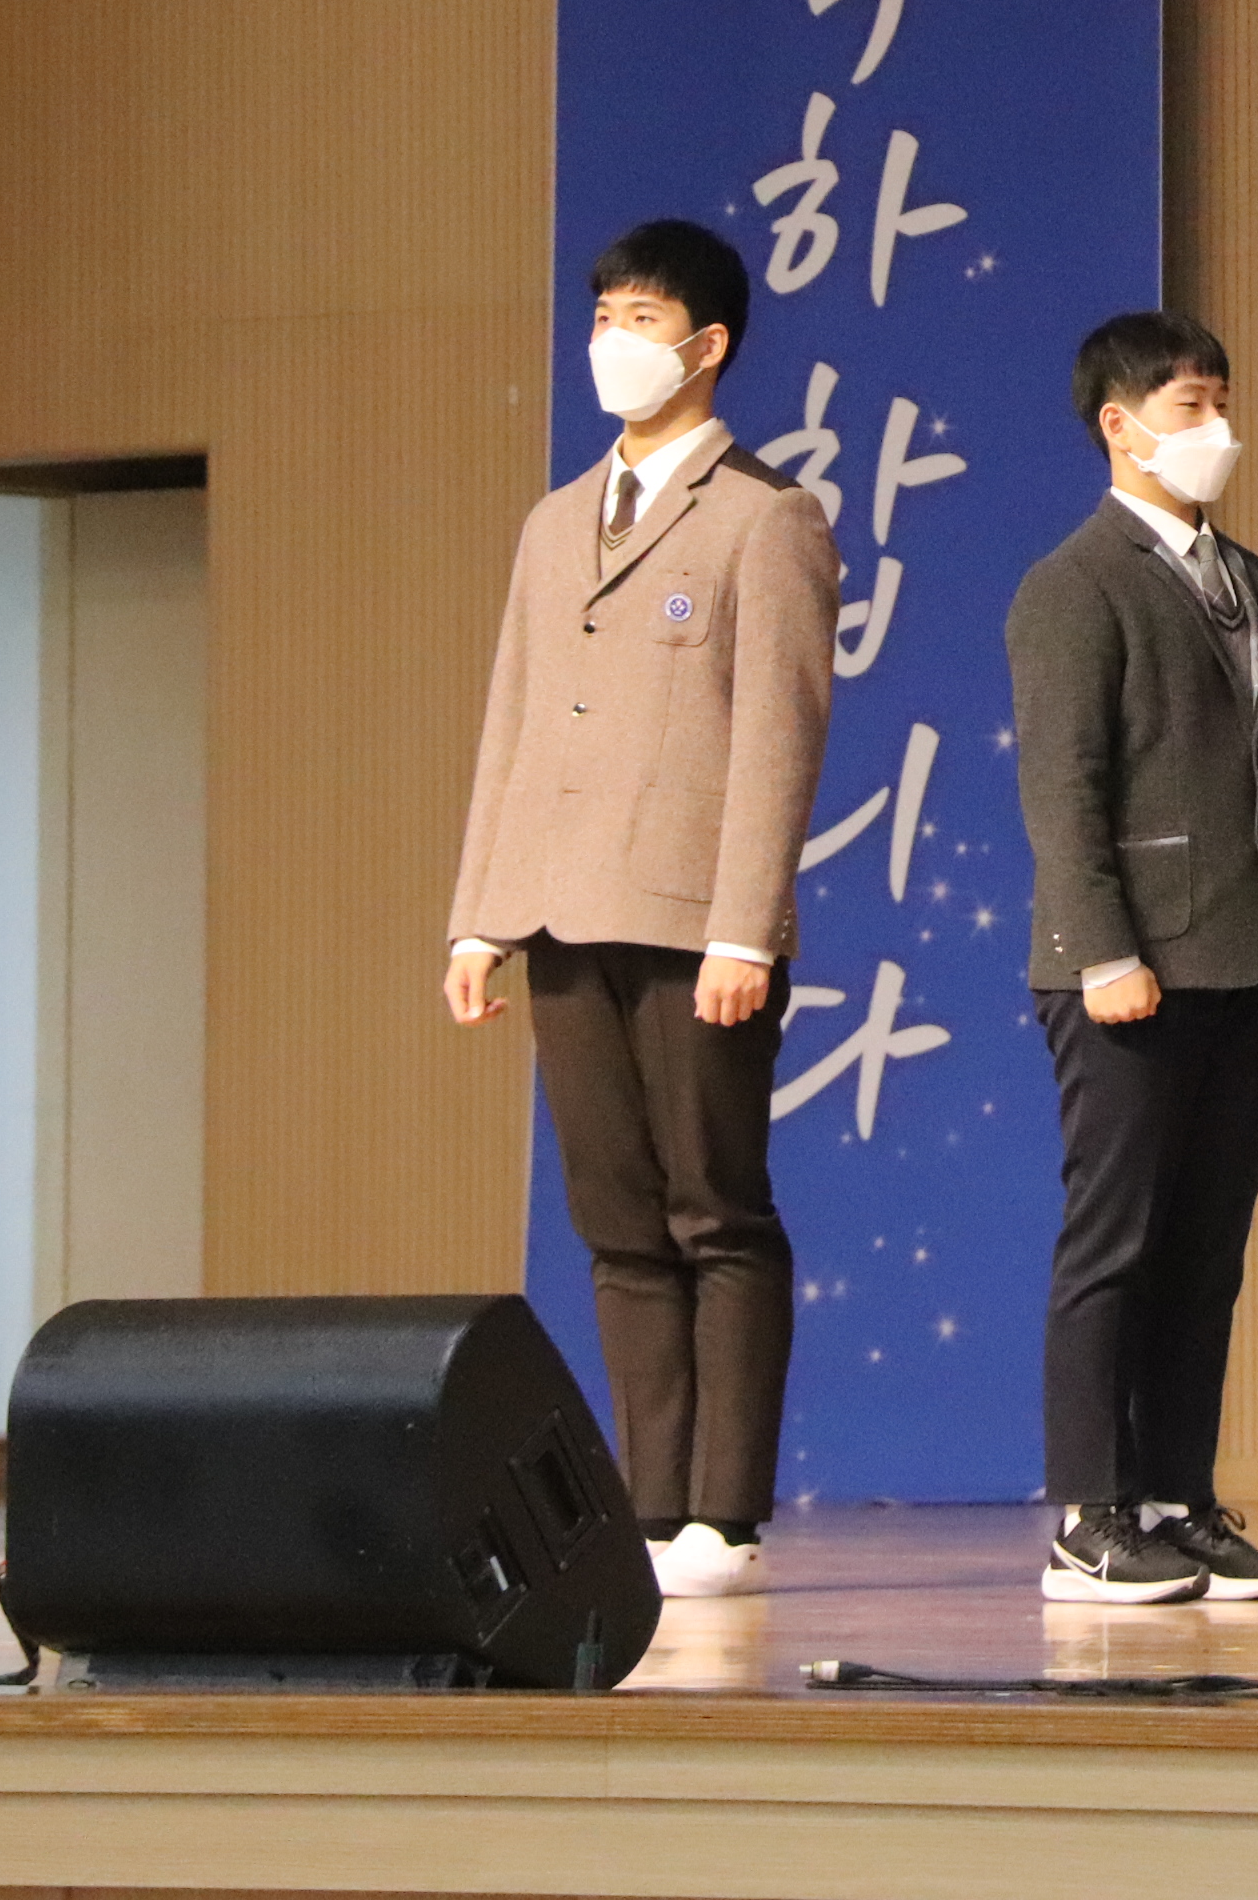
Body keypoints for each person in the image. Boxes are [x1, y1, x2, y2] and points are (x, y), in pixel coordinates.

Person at [444, 219, 841, 1602]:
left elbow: (779, 737)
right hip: (560, 912)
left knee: (713, 1210)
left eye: (643, 319)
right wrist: (480, 916)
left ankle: (725, 1514)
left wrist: (746, 926)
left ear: (707, 345)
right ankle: (653, 1506)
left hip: (691, 923)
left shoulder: (765, 516)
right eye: (605, 315)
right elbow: (512, 721)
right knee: (614, 1221)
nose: (613, 341)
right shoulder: (556, 521)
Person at [1005, 311, 1258, 1608]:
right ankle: (1088, 1515)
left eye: (1221, 402)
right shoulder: (1073, 584)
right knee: (1118, 1241)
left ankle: (1177, 1500)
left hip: (1245, 957)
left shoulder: (1255, 584)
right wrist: (1103, 951)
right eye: (1191, 405)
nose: (1216, 428)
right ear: (1120, 424)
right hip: (1127, 965)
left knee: (1207, 1249)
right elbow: (1061, 791)